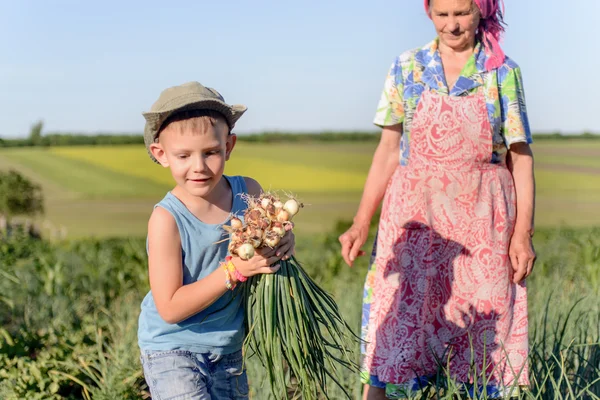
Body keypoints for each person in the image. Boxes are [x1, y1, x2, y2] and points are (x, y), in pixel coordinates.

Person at [339, 0, 536, 398]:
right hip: (415, 215)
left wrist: (522, 234)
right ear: (428, 12)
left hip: (483, 219)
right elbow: (388, 150)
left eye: (462, 13)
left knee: (485, 328)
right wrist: (361, 221)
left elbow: (521, 157)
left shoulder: (503, 72)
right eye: (442, 14)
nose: (452, 24)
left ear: (481, 10)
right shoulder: (406, 66)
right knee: (394, 318)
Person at [137, 81, 295, 399]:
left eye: (210, 152)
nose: (198, 167)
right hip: (173, 348)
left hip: (228, 349)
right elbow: (168, 307)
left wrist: (285, 240)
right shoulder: (166, 219)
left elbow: (268, 238)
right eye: (183, 156)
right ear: (161, 154)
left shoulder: (248, 192)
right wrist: (234, 271)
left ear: (229, 146)